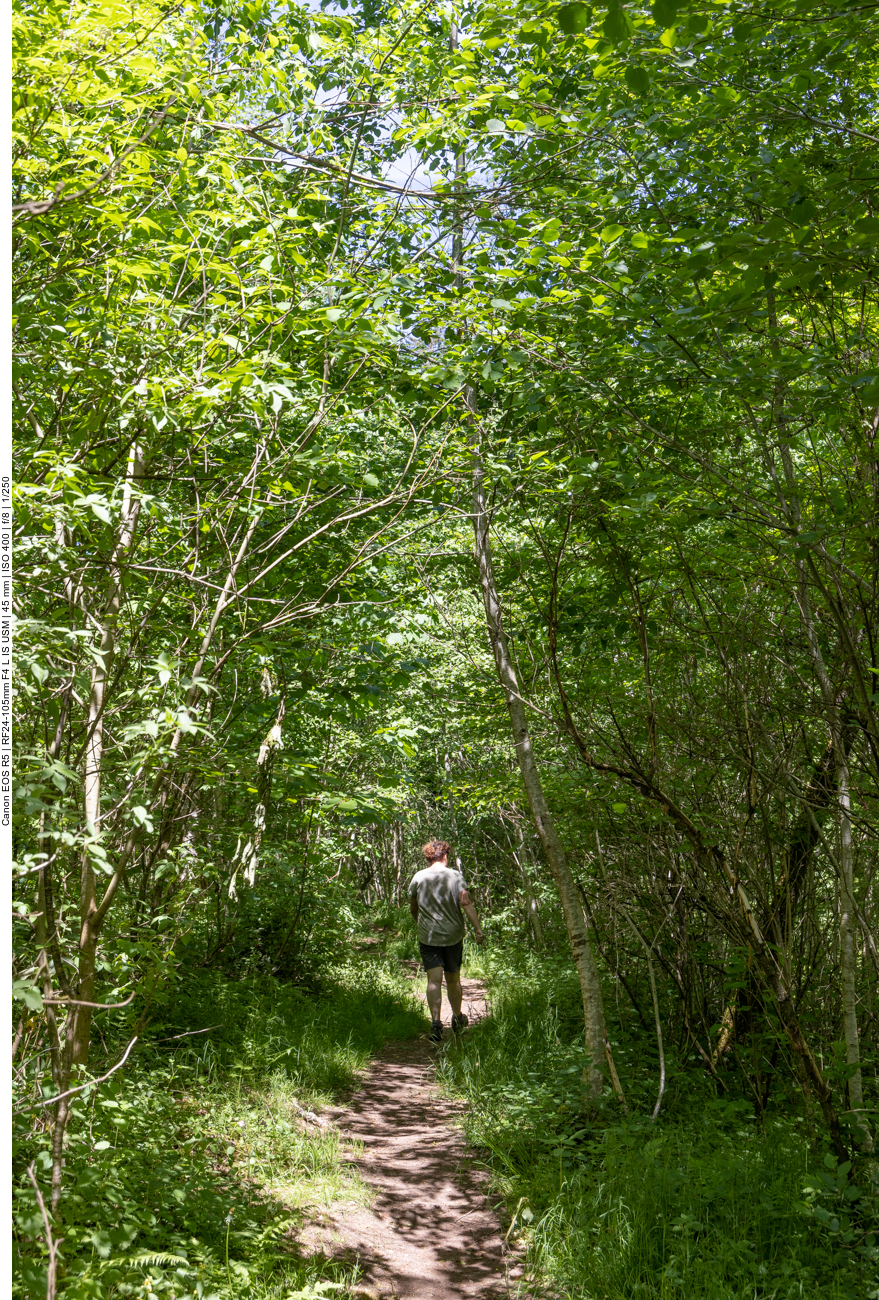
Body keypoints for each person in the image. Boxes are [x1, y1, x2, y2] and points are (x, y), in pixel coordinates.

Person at [408, 838, 485, 1043]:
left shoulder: (418, 877)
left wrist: (420, 924)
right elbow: (466, 902)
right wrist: (478, 928)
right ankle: (458, 1017)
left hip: (428, 936)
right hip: (452, 936)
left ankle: (435, 1023)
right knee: (453, 979)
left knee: (433, 980)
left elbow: (413, 908)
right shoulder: (455, 876)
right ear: (445, 855)